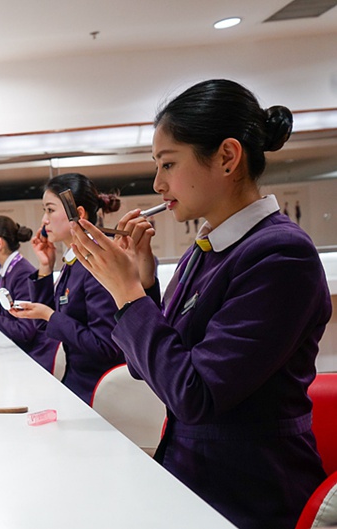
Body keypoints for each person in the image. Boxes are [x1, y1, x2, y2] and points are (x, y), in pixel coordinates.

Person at [69, 79, 329, 529]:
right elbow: (151, 368)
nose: (157, 182)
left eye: (168, 163)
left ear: (227, 157)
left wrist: (128, 294)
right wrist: (144, 284)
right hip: (192, 476)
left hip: (251, 494)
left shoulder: (281, 255)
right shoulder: (203, 249)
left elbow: (195, 394)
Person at [10, 173, 127, 402]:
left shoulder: (96, 264)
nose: (44, 220)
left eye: (50, 210)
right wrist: (46, 266)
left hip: (98, 393)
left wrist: (49, 315)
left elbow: (105, 347)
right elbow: (46, 327)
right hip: (75, 383)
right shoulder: (75, 262)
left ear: (79, 214)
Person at [0, 216, 58, 369]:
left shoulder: (21, 273)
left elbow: (24, 331)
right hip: (19, 351)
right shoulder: (6, 271)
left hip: (35, 357)